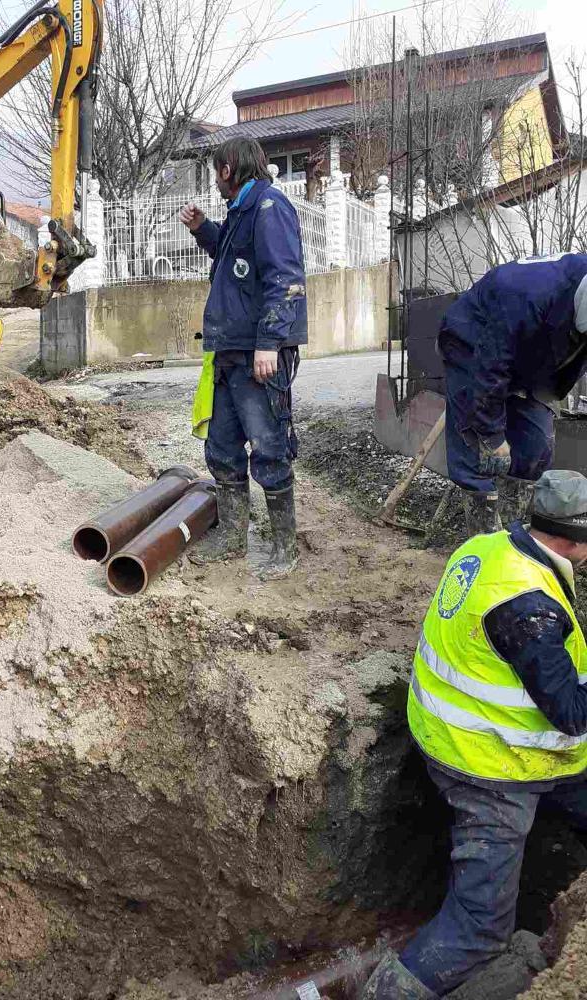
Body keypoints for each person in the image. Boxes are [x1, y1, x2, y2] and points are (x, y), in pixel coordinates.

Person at [362, 469, 587, 999]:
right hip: (492, 769)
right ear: (573, 538)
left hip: (454, 736)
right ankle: (387, 993)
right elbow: (572, 712)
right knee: (480, 931)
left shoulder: (492, 547)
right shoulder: (528, 609)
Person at [179, 137, 308, 578]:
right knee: (223, 448)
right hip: (230, 352)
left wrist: (269, 343)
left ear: (230, 169)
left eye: (217, 171)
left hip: (258, 355)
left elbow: (284, 279)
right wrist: (203, 229)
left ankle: (284, 549)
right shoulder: (242, 211)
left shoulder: (269, 209)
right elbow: (236, 262)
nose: (216, 179)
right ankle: (234, 536)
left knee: (269, 448)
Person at [439, 253, 587, 534]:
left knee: (535, 448)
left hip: (526, 354)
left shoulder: (576, 298)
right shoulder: (525, 295)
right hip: (472, 343)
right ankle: (483, 550)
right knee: (480, 453)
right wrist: (492, 435)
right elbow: (491, 366)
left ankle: (510, 536)